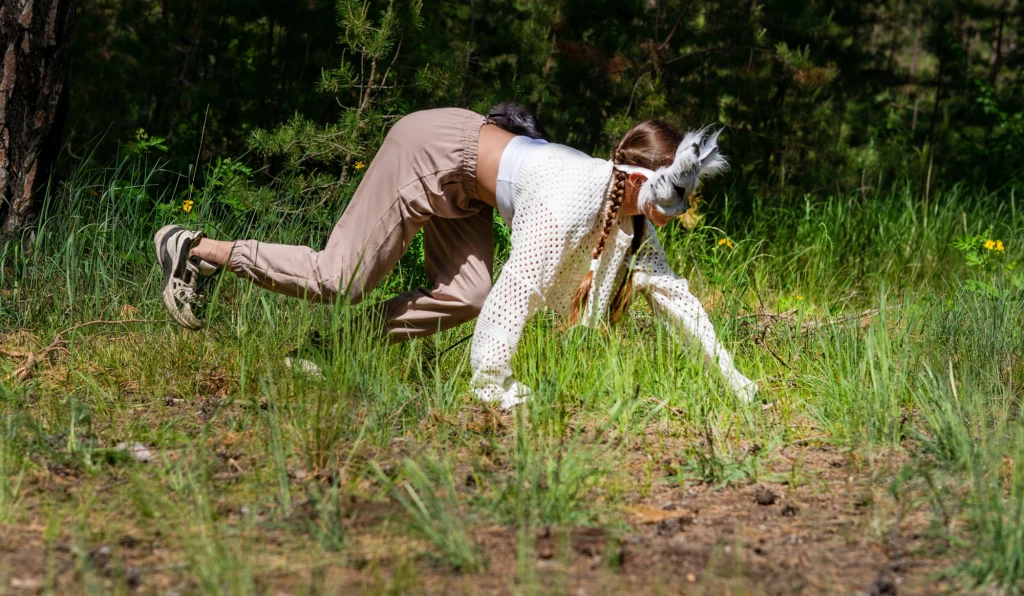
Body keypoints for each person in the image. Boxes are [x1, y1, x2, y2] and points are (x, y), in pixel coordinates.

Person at [153, 104, 758, 409]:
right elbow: (519, 287)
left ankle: (325, 350)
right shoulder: (575, 194)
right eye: (678, 194)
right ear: (644, 180)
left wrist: (735, 382)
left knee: (466, 294)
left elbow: (675, 298)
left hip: (468, 189)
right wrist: (492, 382)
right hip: (435, 151)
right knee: (341, 278)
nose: (682, 208)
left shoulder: (627, 219)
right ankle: (196, 250)